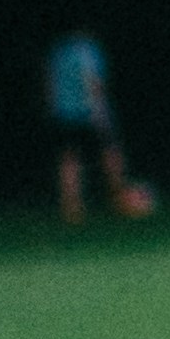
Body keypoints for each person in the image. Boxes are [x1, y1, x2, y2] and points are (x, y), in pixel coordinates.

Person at [47, 30, 154, 224]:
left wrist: (55, 111)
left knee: (70, 158)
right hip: (89, 113)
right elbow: (93, 82)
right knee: (111, 154)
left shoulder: (60, 51)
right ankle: (120, 198)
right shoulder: (88, 50)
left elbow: (52, 85)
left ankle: (72, 208)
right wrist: (102, 113)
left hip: (63, 114)